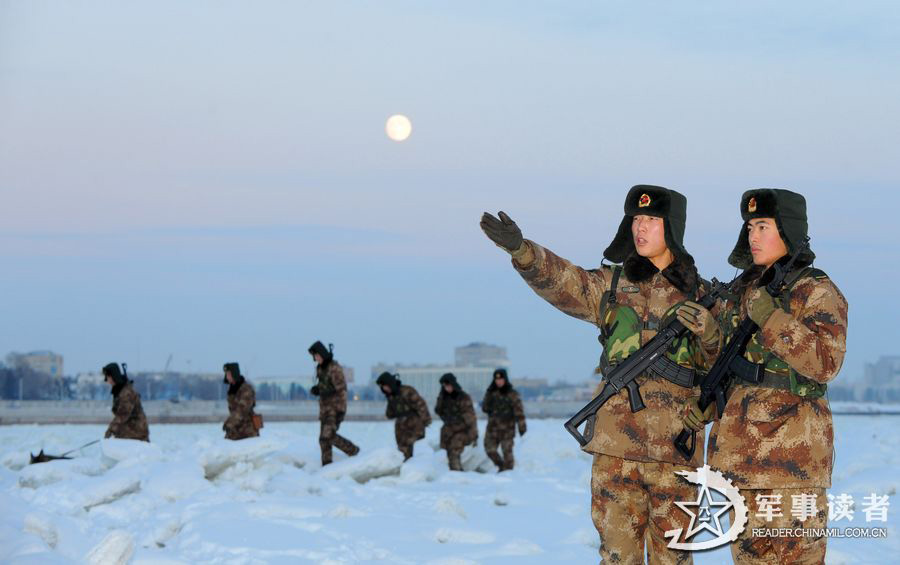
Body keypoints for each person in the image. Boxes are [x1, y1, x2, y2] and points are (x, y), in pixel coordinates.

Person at [481, 185, 718, 564]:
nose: (639, 228)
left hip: (676, 453)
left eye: (651, 220)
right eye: (636, 219)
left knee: (674, 559)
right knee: (616, 557)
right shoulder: (611, 286)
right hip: (614, 453)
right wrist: (523, 251)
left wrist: (710, 334)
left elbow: (722, 373)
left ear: (672, 228)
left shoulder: (705, 297)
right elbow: (564, 281)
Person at [682, 189, 848, 564]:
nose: (752, 236)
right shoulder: (742, 293)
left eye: (762, 226)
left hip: (792, 469)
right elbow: (724, 365)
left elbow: (826, 363)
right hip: (740, 466)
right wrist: (710, 337)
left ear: (787, 231)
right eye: (749, 227)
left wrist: (772, 319)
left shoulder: (816, 291)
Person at [309, 340, 359, 465]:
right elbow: (324, 386)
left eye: (316, 355)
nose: (315, 358)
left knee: (328, 436)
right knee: (323, 439)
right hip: (325, 409)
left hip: (336, 408)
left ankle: (353, 451)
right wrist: (317, 389)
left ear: (321, 354)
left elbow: (341, 388)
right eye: (314, 356)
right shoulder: (320, 368)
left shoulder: (334, 367)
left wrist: (321, 390)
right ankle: (327, 466)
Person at [376, 371, 432, 460]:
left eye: (385, 386)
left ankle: (416, 468)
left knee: (411, 447)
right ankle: (407, 469)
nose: (385, 389)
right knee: (402, 452)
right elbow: (389, 414)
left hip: (414, 425)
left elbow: (420, 405)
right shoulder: (391, 397)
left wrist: (426, 420)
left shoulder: (407, 391)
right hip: (401, 428)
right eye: (383, 387)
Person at [481, 368, 526, 471]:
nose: (499, 381)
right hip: (492, 428)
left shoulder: (512, 394)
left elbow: (519, 412)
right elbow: (484, 408)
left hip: (507, 429)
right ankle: (502, 467)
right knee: (489, 449)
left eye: (501, 379)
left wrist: (522, 427)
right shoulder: (491, 393)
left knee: (507, 452)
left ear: (505, 379)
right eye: (497, 379)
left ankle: (508, 473)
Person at [434, 373, 478, 471]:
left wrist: (474, 436)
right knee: (449, 454)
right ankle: (456, 473)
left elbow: (470, 419)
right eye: (445, 386)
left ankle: (457, 473)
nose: (447, 388)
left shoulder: (463, 397)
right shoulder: (444, 397)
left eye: (448, 385)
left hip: (463, 431)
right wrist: (441, 396)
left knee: (454, 451)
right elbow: (438, 410)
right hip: (448, 431)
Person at [103, 362, 149, 442]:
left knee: (117, 434)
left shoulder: (126, 393)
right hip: (131, 429)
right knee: (117, 434)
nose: (107, 380)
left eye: (108, 377)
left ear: (114, 376)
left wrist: (110, 431)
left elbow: (122, 415)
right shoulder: (119, 391)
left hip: (137, 432)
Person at [222, 362, 259, 440]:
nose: (227, 376)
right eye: (226, 374)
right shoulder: (232, 390)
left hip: (248, 432)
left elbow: (242, 410)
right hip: (236, 429)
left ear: (234, 374)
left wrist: (230, 423)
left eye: (229, 374)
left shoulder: (246, 389)